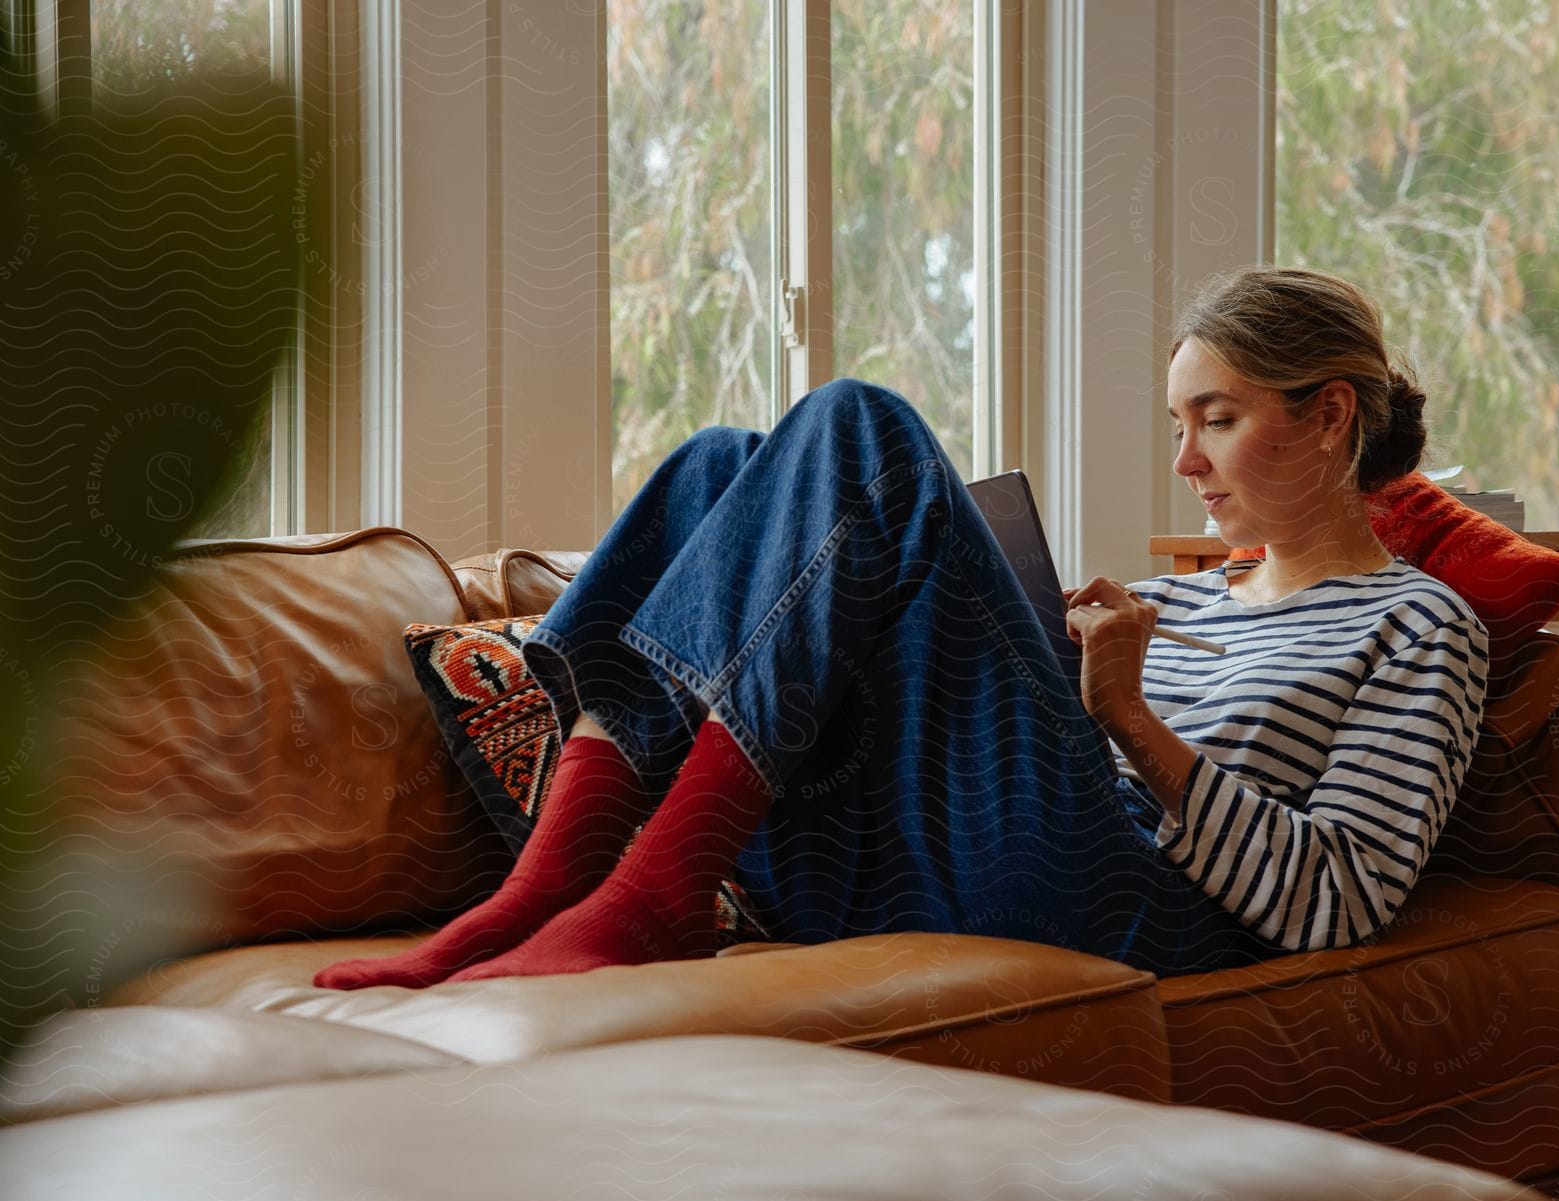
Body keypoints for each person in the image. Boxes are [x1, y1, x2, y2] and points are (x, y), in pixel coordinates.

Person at [315, 265, 1488, 991]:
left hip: (1137, 914)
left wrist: (1127, 719)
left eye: (1216, 421)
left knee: (860, 425)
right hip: (928, 866)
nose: (1183, 461)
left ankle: (647, 896)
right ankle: (548, 888)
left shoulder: (1417, 624)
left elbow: (1332, 903)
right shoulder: (1168, 601)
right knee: (722, 464)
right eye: (1179, 423)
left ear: (1329, 415)